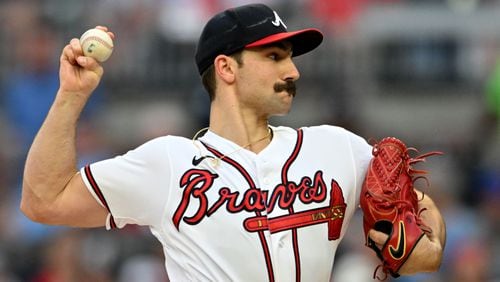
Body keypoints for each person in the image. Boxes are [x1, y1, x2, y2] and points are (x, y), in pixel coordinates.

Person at [20, 3, 445, 281]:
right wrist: (71, 96)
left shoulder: (336, 149)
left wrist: (419, 224)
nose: (293, 71)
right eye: (275, 57)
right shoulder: (169, 164)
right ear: (226, 67)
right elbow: (43, 200)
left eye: (292, 57)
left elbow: (423, 254)